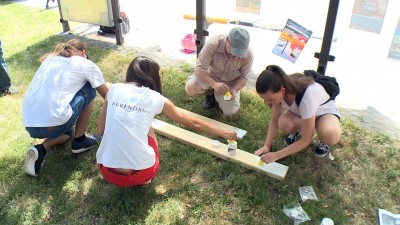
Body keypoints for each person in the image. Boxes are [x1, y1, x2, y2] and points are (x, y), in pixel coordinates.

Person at [96, 56, 237, 187]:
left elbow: (101, 130)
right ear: (153, 78)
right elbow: (192, 123)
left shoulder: (113, 89)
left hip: (107, 171)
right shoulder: (156, 98)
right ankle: (145, 181)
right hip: (140, 174)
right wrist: (222, 132)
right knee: (149, 124)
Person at [22, 39, 109, 176]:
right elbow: (108, 97)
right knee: (90, 87)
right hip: (54, 121)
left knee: (67, 132)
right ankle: (80, 140)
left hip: (29, 123)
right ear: (83, 53)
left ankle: (40, 149)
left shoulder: (49, 60)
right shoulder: (85, 63)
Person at [254, 65, 341, 163]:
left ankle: (324, 141)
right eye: (265, 99)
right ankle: (301, 128)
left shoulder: (307, 97)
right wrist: (267, 145)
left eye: (270, 99)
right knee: (283, 123)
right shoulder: (277, 90)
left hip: (324, 113)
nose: (268, 102)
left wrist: (276, 155)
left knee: (329, 134)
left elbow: (305, 140)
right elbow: (275, 120)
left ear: (282, 90)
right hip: (303, 114)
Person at [184, 27, 253, 116]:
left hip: (229, 83)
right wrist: (214, 85)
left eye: (239, 54)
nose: (235, 57)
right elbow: (199, 69)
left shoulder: (249, 55)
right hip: (209, 76)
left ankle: (217, 95)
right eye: (233, 51)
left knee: (230, 113)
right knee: (190, 88)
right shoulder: (214, 43)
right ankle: (210, 94)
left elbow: (244, 78)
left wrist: (234, 89)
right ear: (227, 40)